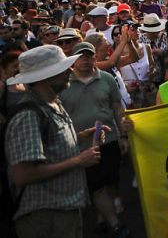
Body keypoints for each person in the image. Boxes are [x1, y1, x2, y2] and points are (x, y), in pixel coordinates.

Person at [4, 45, 104, 238]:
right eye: (62, 69)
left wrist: (81, 136)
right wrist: (78, 161)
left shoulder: (53, 102)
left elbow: (50, 143)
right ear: (45, 77)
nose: (70, 71)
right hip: (45, 216)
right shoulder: (28, 114)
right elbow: (23, 174)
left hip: (64, 209)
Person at [60, 42, 129, 238]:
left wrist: (123, 136)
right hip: (82, 145)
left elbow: (117, 108)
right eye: (81, 56)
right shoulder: (63, 83)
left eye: (89, 55)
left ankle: (101, 219)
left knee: (109, 181)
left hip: (110, 140)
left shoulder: (106, 78)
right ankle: (116, 225)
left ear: (95, 57)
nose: (86, 59)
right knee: (96, 185)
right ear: (73, 60)